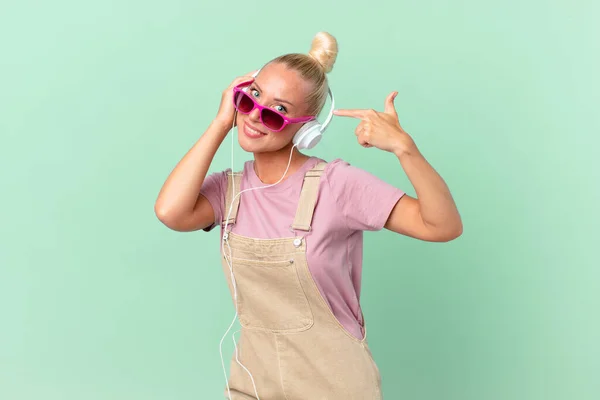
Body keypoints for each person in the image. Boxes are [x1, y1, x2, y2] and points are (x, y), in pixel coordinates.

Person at [155, 31, 462, 400]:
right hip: (254, 382)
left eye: (278, 110)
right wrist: (222, 122)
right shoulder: (229, 191)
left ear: (308, 129)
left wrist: (404, 148)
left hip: (334, 387)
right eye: (251, 97)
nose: (255, 115)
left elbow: (442, 226)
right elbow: (170, 212)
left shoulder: (337, 185)